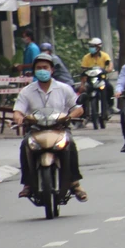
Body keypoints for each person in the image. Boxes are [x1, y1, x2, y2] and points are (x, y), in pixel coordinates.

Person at [13, 54, 87, 201]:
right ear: (34, 71)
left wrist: (70, 116)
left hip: (59, 128)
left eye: (45, 67)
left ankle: (75, 183)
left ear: (52, 70)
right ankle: (27, 184)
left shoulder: (64, 88)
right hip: (36, 130)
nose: (42, 70)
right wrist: (19, 118)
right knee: (25, 145)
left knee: (71, 144)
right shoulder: (27, 91)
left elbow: (78, 108)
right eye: (39, 68)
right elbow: (17, 111)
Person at [81, 38, 115, 115]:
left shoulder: (104, 55)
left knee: (110, 88)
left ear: (99, 47)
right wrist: (82, 84)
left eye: (93, 46)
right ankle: (83, 113)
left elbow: (109, 63)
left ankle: (110, 106)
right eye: (90, 46)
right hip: (90, 80)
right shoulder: (86, 57)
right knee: (83, 93)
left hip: (101, 79)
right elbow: (83, 70)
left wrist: (109, 69)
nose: (91, 48)